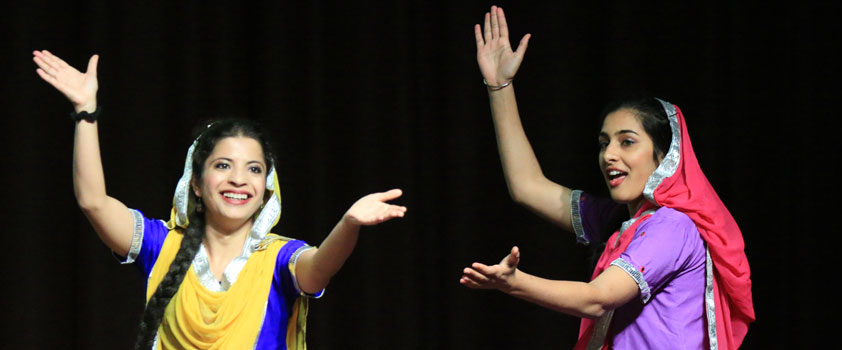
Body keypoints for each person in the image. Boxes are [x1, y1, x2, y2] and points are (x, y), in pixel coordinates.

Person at [33, 50, 407, 350]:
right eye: (223, 165)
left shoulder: (279, 258)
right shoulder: (160, 245)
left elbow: (319, 269)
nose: (239, 180)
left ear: (266, 190)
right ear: (195, 183)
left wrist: (348, 224)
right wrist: (86, 110)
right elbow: (93, 202)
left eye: (254, 170)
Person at [459, 6, 754, 349]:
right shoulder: (620, 223)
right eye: (604, 143)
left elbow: (598, 298)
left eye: (627, 142)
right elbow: (527, 186)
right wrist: (499, 86)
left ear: (666, 156)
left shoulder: (673, 226)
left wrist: (515, 283)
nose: (609, 154)